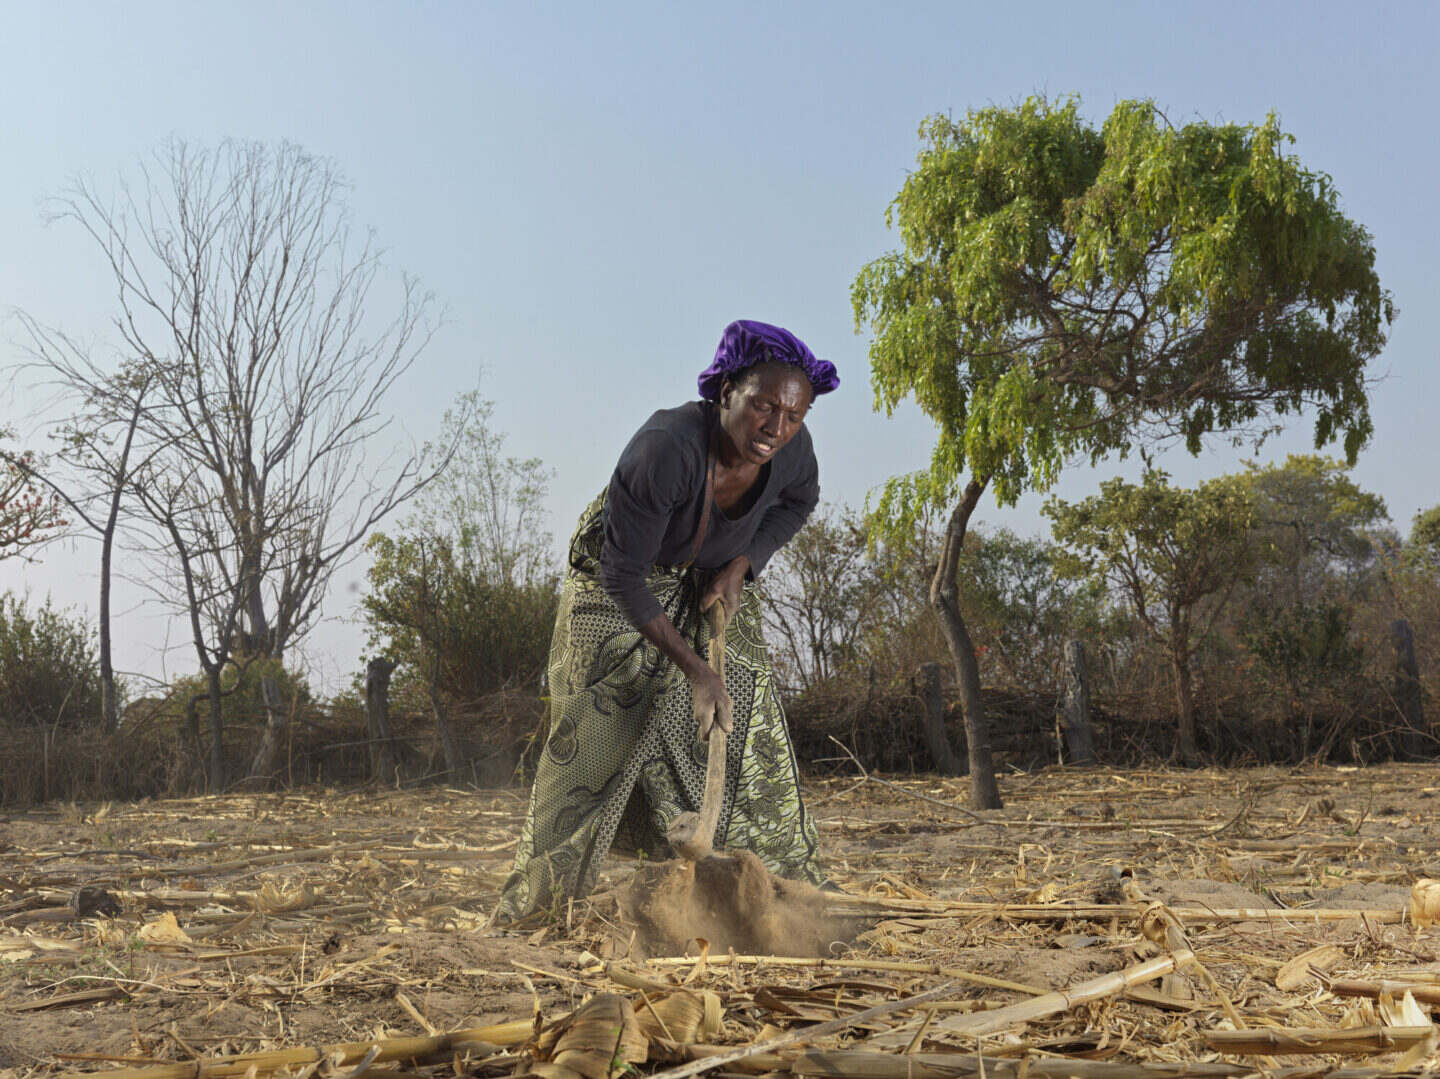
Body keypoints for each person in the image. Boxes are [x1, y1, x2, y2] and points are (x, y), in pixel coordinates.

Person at [496, 319, 839, 923]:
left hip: (711, 579)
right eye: (763, 407)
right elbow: (620, 576)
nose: (776, 429)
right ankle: (535, 910)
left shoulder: (791, 453)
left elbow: (798, 503)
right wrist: (693, 668)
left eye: (793, 415)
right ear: (726, 389)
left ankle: (774, 895)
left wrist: (743, 563)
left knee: (747, 723)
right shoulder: (664, 450)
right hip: (619, 585)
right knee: (597, 736)